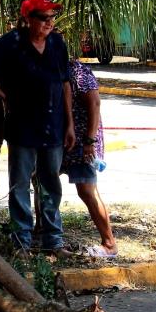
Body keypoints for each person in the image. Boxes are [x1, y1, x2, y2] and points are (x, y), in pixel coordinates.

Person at [0, 0, 75, 255]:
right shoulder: (12, 42)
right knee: (20, 184)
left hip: (54, 124)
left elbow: (65, 84)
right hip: (22, 126)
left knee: (51, 183)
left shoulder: (58, 44)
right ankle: (21, 242)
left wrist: (70, 124)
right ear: (28, 19)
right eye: (43, 17)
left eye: (52, 17)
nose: (49, 22)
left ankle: (53, 241)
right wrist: (0, 95)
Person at [62, 58, 117, 256]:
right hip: (57, 141)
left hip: (82, 141)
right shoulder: (47, 66)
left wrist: (89, 141)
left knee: (87, 190)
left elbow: (94, 103)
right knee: (43, 184)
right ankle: (43, 233)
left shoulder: (77, 70)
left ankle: (109, 243)